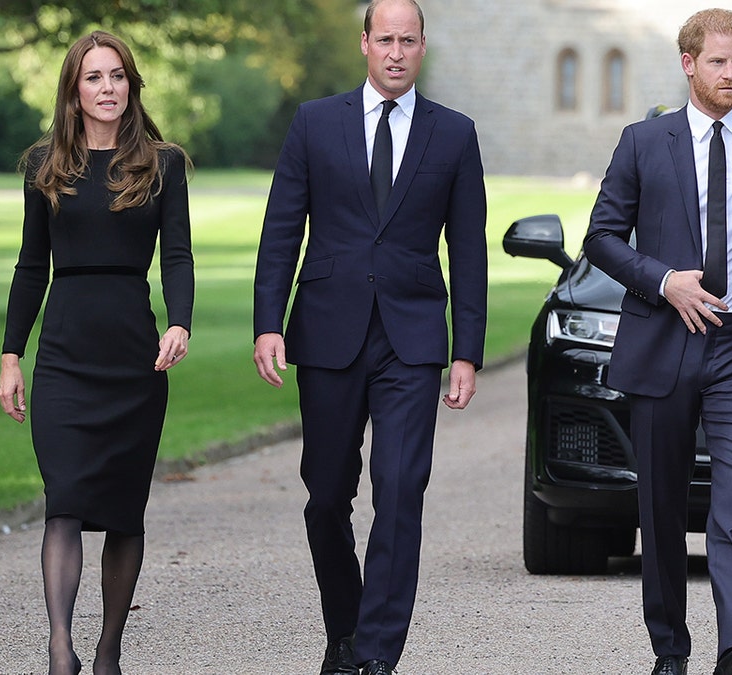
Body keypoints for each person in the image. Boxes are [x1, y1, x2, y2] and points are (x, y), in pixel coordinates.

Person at [251, 0, 487, 673]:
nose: (394, 51)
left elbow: (468, 249)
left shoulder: (455, 134)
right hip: (327, 331)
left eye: (407, 40)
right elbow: (280, 231)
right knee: (326, 494)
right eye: (384, 39)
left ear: (422, 47)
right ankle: (346, 626)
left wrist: (466, 349)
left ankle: (377, 655)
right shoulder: (314, 123)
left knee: (401, 485)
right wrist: (269, 321)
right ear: (364, 44)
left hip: (412, 340)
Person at [582, 8, 732, 675]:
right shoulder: (641, 141)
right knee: (659, 505)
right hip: (665, 339)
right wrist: (663, 281)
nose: (731, 74)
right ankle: (670, 649)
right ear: (689, 63)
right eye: (718, 62)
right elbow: (600, 236)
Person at [0, 30, 193, 675]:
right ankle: (61, 651)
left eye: (117, 77)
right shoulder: (44, 166)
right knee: (66, 501)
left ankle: (107, 652)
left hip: (134, 357)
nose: (107, 89)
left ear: (132, 86)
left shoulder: (162, 165)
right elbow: (30, 266)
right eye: (94, 78)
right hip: (64, 355)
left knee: (123, 509)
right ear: (73, 92)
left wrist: (180, 323)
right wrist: (10, 356)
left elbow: (179, 256)